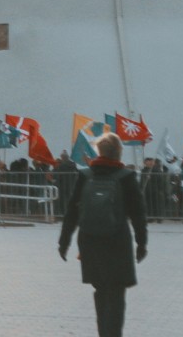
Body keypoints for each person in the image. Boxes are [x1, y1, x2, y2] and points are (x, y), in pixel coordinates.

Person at [59, 131, 147, 337]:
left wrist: (64, 242)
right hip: (117, 241)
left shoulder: (86, 176)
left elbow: (72, 210)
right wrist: (142, 243)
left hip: (89, 241)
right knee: (116, 293)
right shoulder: (126, 177)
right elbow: (138, 214)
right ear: (119, 152)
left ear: (99, 151)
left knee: (100, 291)